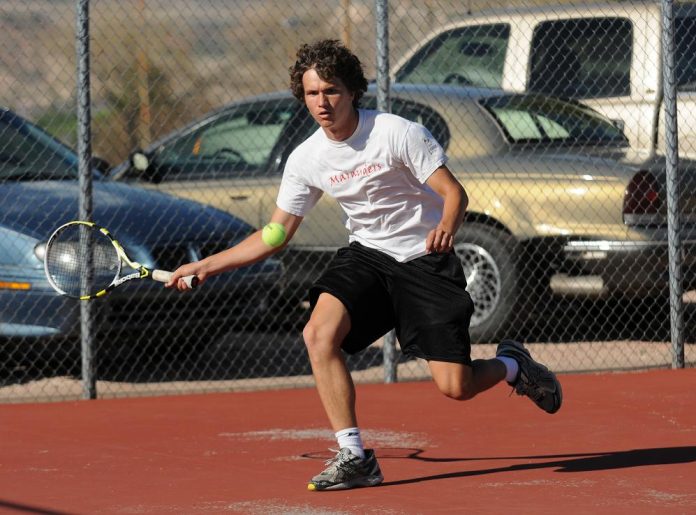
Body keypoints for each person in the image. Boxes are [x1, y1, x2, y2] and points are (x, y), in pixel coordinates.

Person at [166, 39, 562, 491]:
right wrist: (207, 265)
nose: (322, 102)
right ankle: (355, 456)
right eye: (312, 93)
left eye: (331, 91)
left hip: (425, 260)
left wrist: (448, 226)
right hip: (368, 257)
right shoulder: (306, 158)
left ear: (353, 91)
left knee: (456, 386)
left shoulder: (396, 132)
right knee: (318, 334)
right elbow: (276, 233)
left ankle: (514, 366)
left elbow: (454, 193)